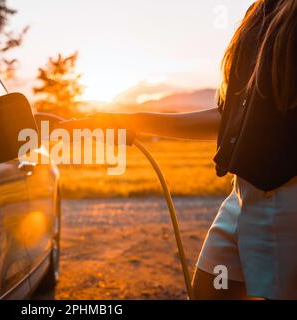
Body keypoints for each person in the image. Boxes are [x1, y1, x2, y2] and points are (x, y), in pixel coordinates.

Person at [58, 0, 297, 299]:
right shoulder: (259, 12)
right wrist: (126, 120)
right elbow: (229, 118)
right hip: (242, 194)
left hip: (287, 196)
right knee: (210, 291)